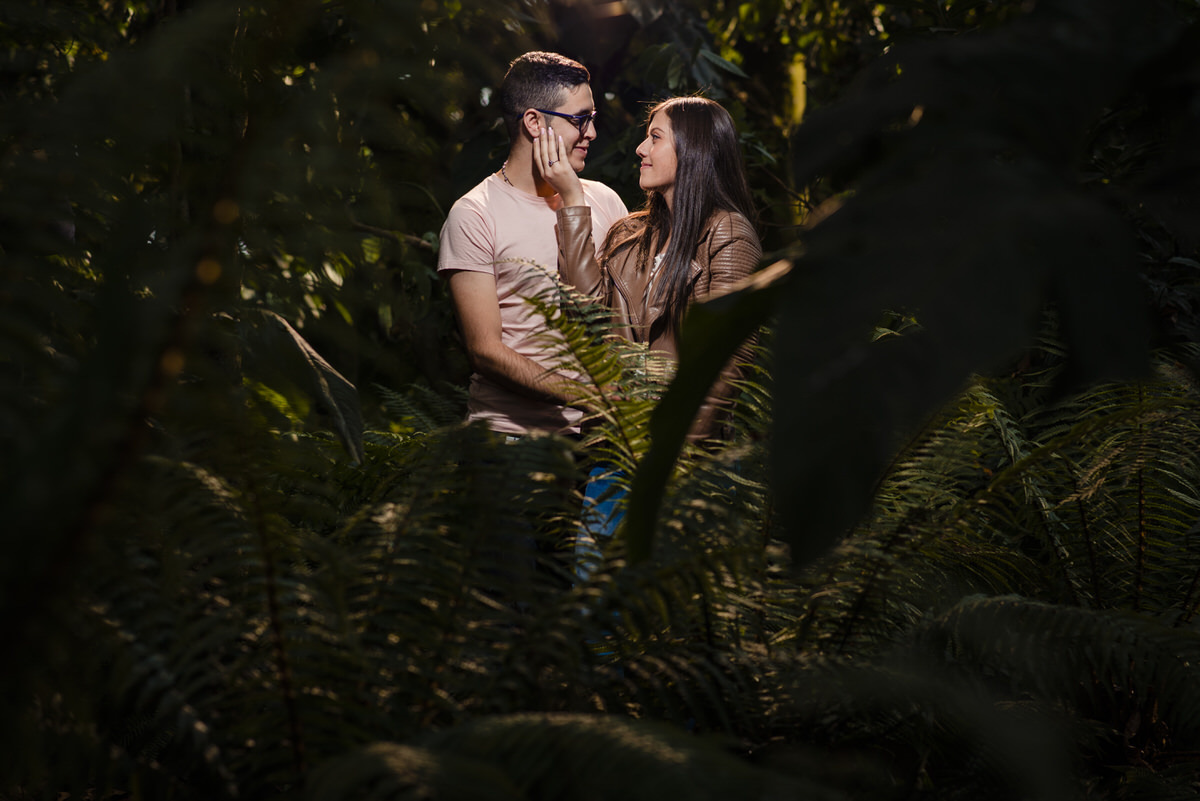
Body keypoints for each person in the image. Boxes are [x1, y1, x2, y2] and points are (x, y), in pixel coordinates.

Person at [535, 96, 762, 576]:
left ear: (695, 150)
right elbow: (583, 322)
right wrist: (573, 204)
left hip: (686, 468)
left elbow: (721, 372)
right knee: (596, 623)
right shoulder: (626, 235)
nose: (640, 147)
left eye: (655, 137)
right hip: (613, 462)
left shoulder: (728, 235)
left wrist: (665, 467)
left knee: (666, 632)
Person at [438, 51, 629, 438]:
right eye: (580, 120)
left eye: (593, 119)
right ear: (533, 122)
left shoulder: (604, 200)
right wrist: (589, 396)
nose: (591, 133)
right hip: (511, 442)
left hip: (604, 441)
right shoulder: (474, 214)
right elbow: (485, 350)